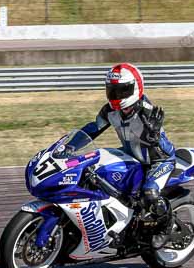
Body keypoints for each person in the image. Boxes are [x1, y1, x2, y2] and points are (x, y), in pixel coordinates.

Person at [76, 63, 178, 248]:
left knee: (150, 193)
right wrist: (69, 146)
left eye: (122, 90)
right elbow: (93, 128)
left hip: (158, 160)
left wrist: (154, 136)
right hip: (130, 154)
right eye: (112, 90)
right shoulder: (110, 110)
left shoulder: (147, 112)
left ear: (135, 88)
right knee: (93, 172)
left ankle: (165, 227)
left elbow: (160, 144)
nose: (117, 96)